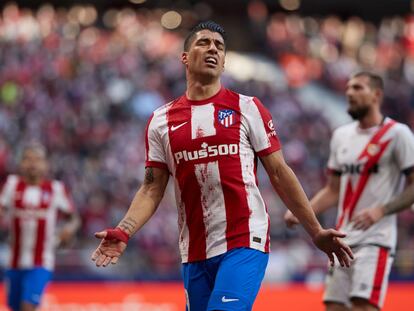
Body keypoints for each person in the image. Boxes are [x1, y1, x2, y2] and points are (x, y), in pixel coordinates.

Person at [91, 21, 353, 311]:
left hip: (244, 239)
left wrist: (315, 231)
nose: (213, 48)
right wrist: (124, 230)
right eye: (203, 42)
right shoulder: (161, 121)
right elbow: (152, 187)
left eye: (219, 45)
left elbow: (279, 173)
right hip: (194, 249)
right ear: (185, 58)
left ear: (224, 62)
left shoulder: (248, 108)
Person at [285, 71, 414, 311]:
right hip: (342, 240)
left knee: (362, 305)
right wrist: (303, 211)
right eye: (348, 89)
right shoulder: (341, 136)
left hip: (376, 239)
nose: (349, 93)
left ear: (376, 95)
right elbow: (333, 190)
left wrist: (381, 210)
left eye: (357, 88)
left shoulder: (398, 134)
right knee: (334, 306)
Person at [0, 143, 80, 311]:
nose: (32, 164)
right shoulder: (12, 185)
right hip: (14, 262)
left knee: (28, 305)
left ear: (45, 164)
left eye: (37, 159)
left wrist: (68, 230)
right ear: (21, 163)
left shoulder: (55, 189)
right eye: (28, 159)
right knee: (15, 307)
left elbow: (73, 218)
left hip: (41, 261)